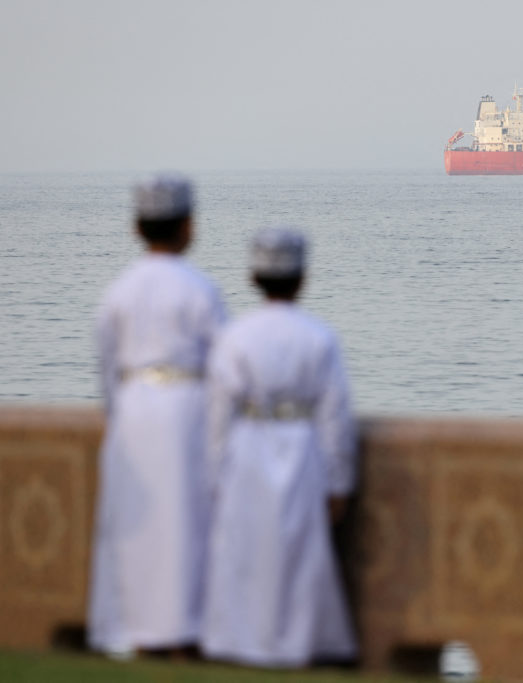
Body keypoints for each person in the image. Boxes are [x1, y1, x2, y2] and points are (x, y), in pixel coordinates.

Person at [201, 227, 358, 668]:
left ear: (253, 278)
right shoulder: (319, 336)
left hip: (248, 446)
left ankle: (242, 640)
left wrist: (213, 475)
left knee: (246, 549)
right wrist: (340, 481)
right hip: (303, 446)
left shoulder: (235, 336)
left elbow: (217, 416)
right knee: (301, 552)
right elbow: (335, 417)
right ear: (303, 277)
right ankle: (299, 642)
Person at [89, 173, 227, 657]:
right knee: (189, 526)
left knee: (135, 528)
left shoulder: (118, 291)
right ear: (189, 227)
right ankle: (188, 633)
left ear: (136, 227)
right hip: (188, 412)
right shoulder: (201, 289)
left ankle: (139, 631)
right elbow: (222, 370)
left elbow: (107, 369)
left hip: (132, 413)